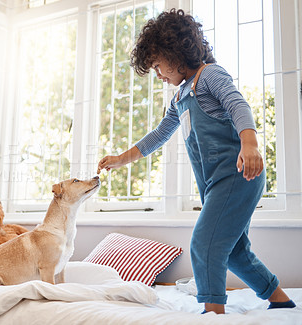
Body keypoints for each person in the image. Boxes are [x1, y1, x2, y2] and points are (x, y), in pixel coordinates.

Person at [97, 8, 296, 314]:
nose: (160, 75)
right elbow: (159, 134)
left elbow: (237, 104)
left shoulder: (209, 76)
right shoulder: (179, 98)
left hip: (238, 174)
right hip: (216, 185)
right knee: (235, 251)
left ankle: (212, 311)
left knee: (204, 243)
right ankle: (280, 300)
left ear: (175, 52)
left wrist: (250, 143)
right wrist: (123, 159)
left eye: (159, 66)